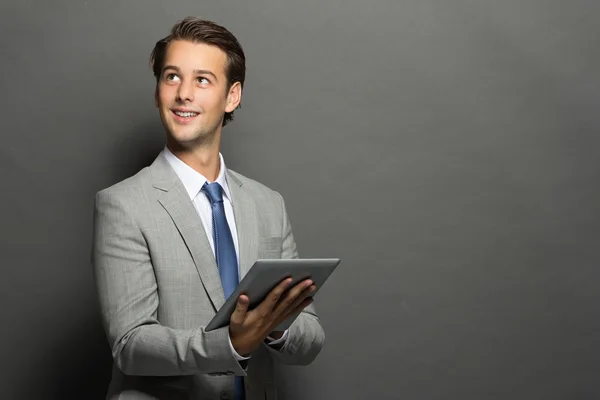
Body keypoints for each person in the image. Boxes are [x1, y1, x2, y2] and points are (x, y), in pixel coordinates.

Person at [92, 16, 325, 400]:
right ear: (157, 92)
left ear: (232, 96)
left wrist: (276, 325)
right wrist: (231, 343)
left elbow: (311, 339)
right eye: (171, 77)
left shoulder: (268, 205)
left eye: (202, 79)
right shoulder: (122, 205)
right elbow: (130, 346)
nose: (184, 93)